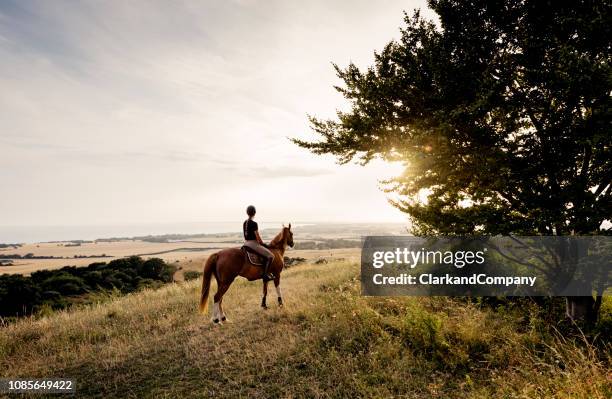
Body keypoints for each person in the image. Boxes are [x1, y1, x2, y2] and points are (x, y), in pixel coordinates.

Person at [242, 205, 275, 281]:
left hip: (246, 244)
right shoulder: (254, 223)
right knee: (270, 256)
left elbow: (245, 236)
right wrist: (263, 244)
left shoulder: (245, 223)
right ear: (254, 213)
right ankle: (265, 275)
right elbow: (257, 237)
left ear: (247, 213)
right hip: (253, 244)